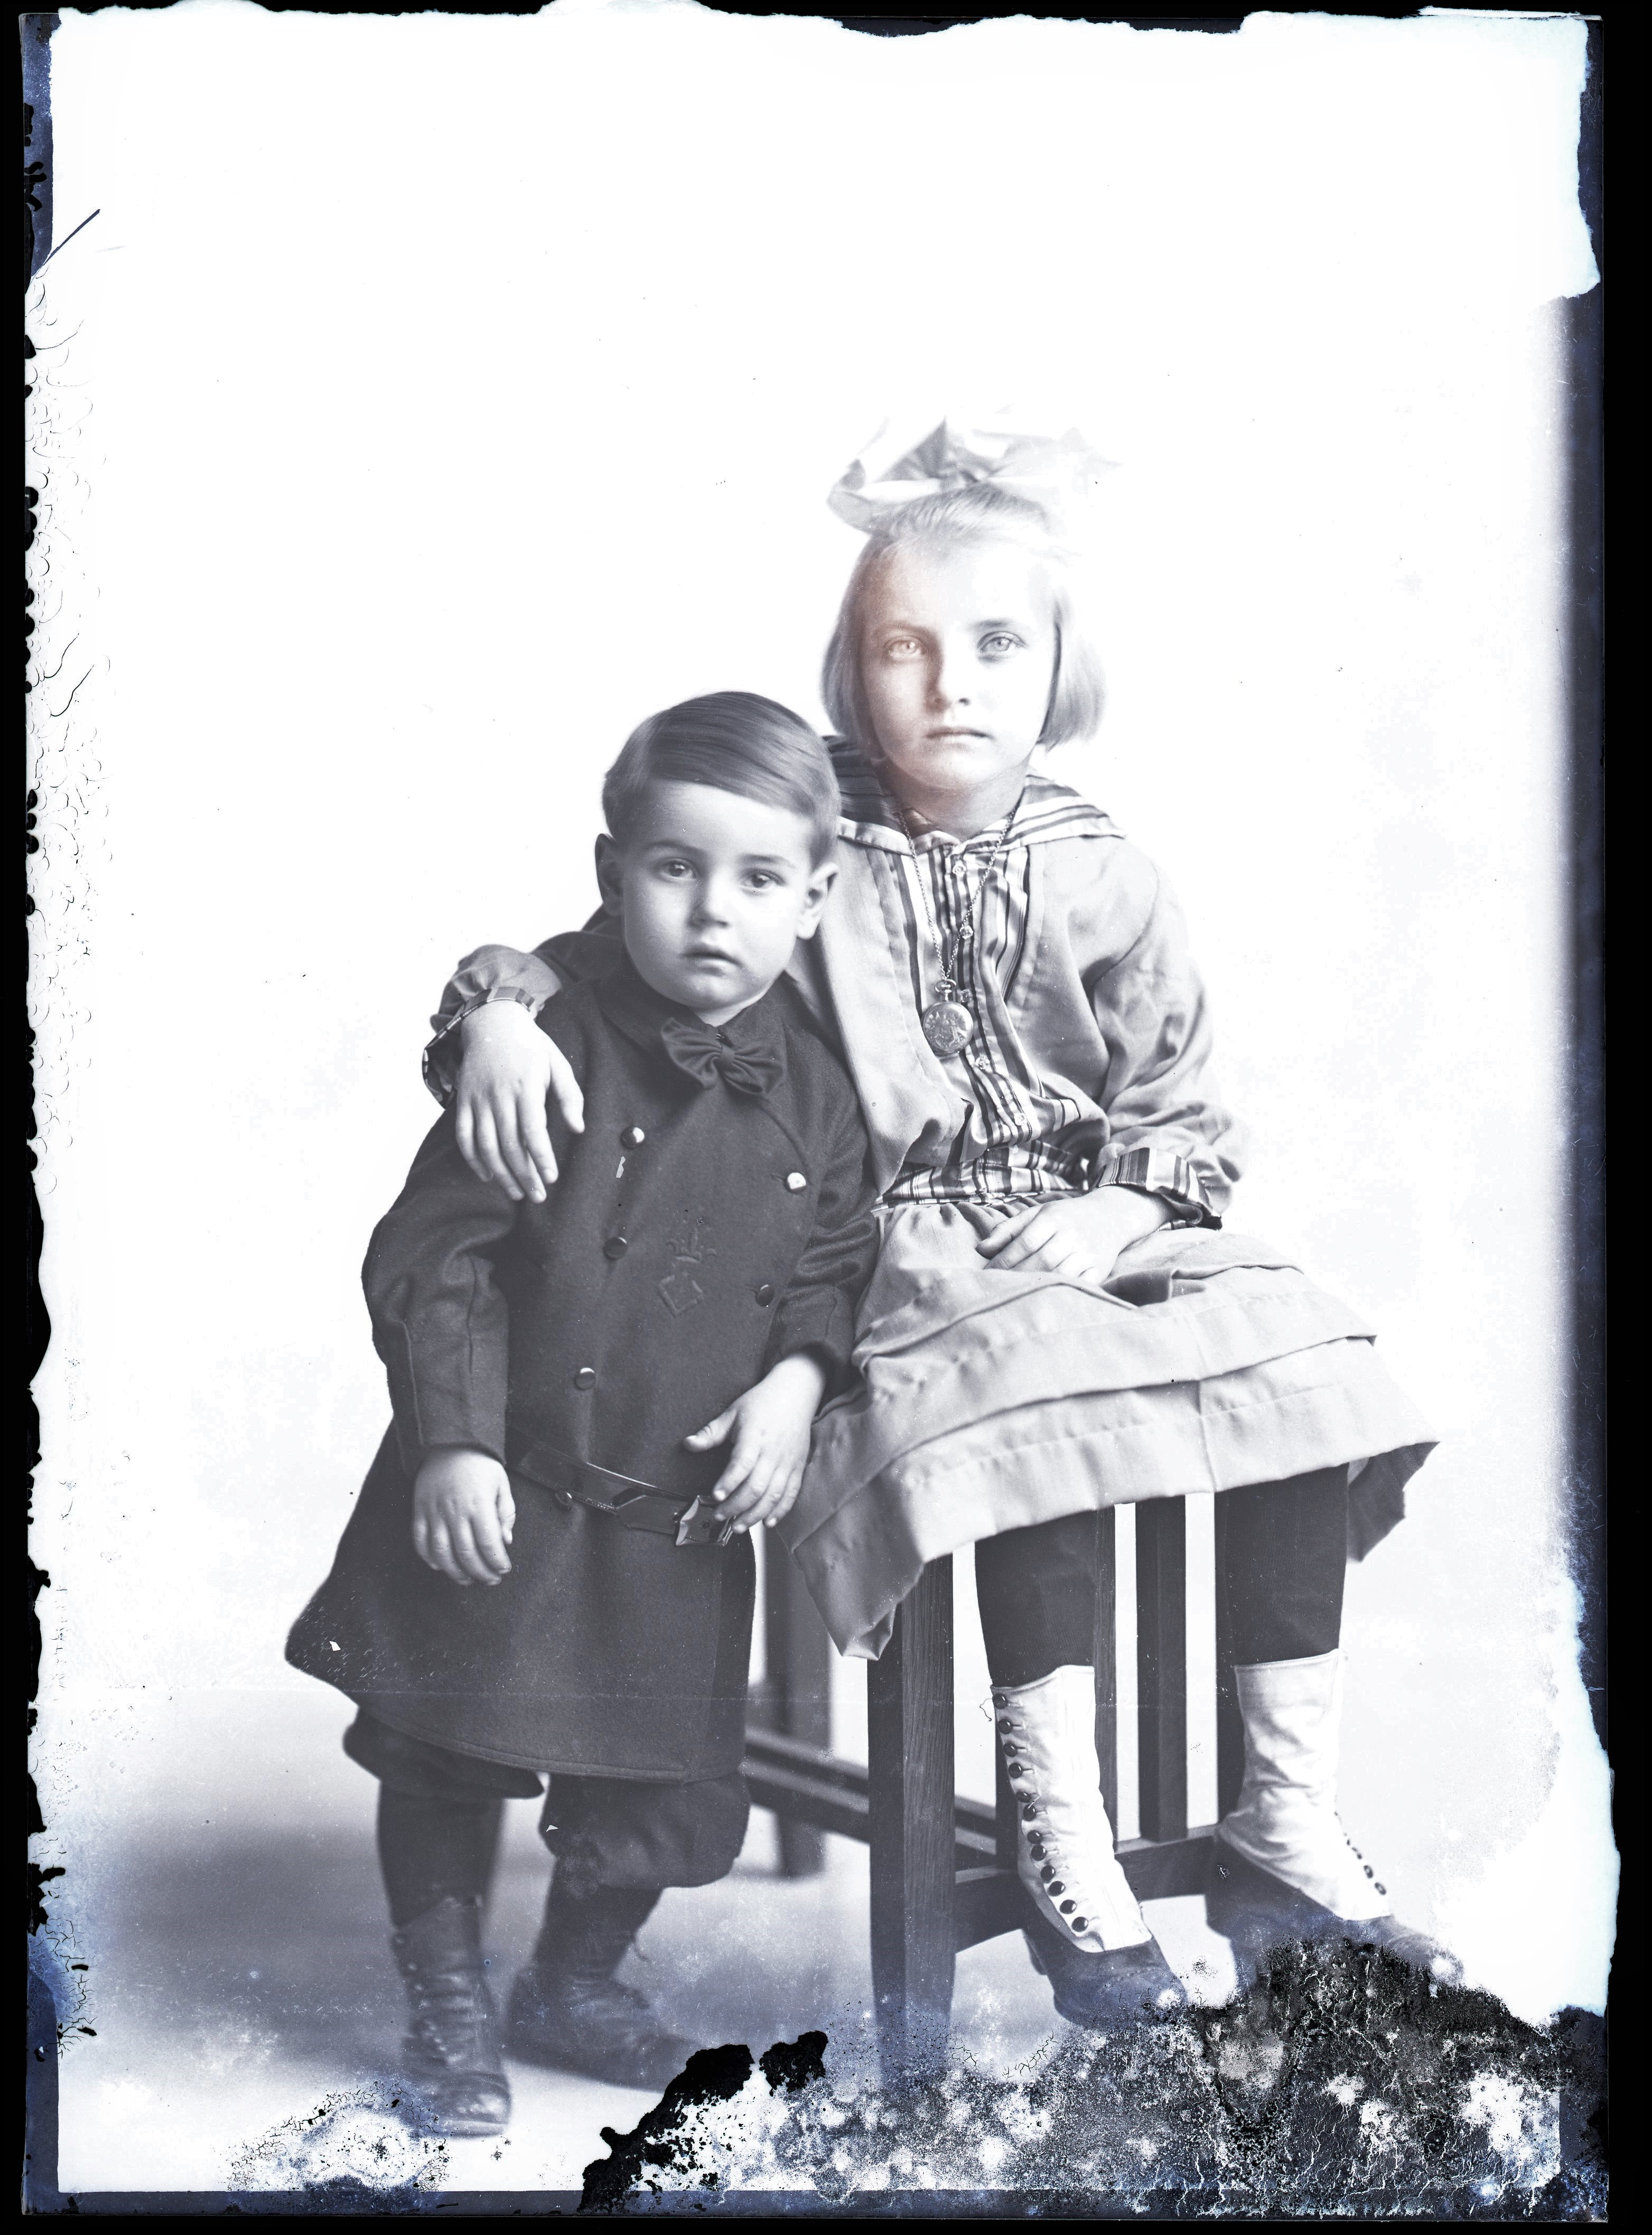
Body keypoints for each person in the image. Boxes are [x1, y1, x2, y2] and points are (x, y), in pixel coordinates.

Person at [416, 422, 1459, 2035]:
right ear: (852, 673)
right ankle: (1060, 1839)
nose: (952, 685)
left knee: (1303, 1365)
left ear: (1059, 667)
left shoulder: (1107, 870)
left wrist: (1119, 1203)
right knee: (1035, 1410)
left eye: (995, 647)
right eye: (905, 648)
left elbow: (1180, 1096)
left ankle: (1281, 1820)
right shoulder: (809, 841)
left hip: (1090, 1222)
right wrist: (497, 1006)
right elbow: (617, 942)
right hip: (881, 1242)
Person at [286, 692, 878, 2136]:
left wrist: (800, 1381)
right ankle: (447, 2001)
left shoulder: (819, 1090)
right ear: (612, 872)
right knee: (447, 1743)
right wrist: (455, 1443)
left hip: (671, 1515)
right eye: (676, 868)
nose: (713, 911)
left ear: (816, 896)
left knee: (654, 1786)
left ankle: (573, 1981)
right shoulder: (545, 1036)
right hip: (513, 1475)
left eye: (757, 878)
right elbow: (434, 1256)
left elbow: (836, 1264)